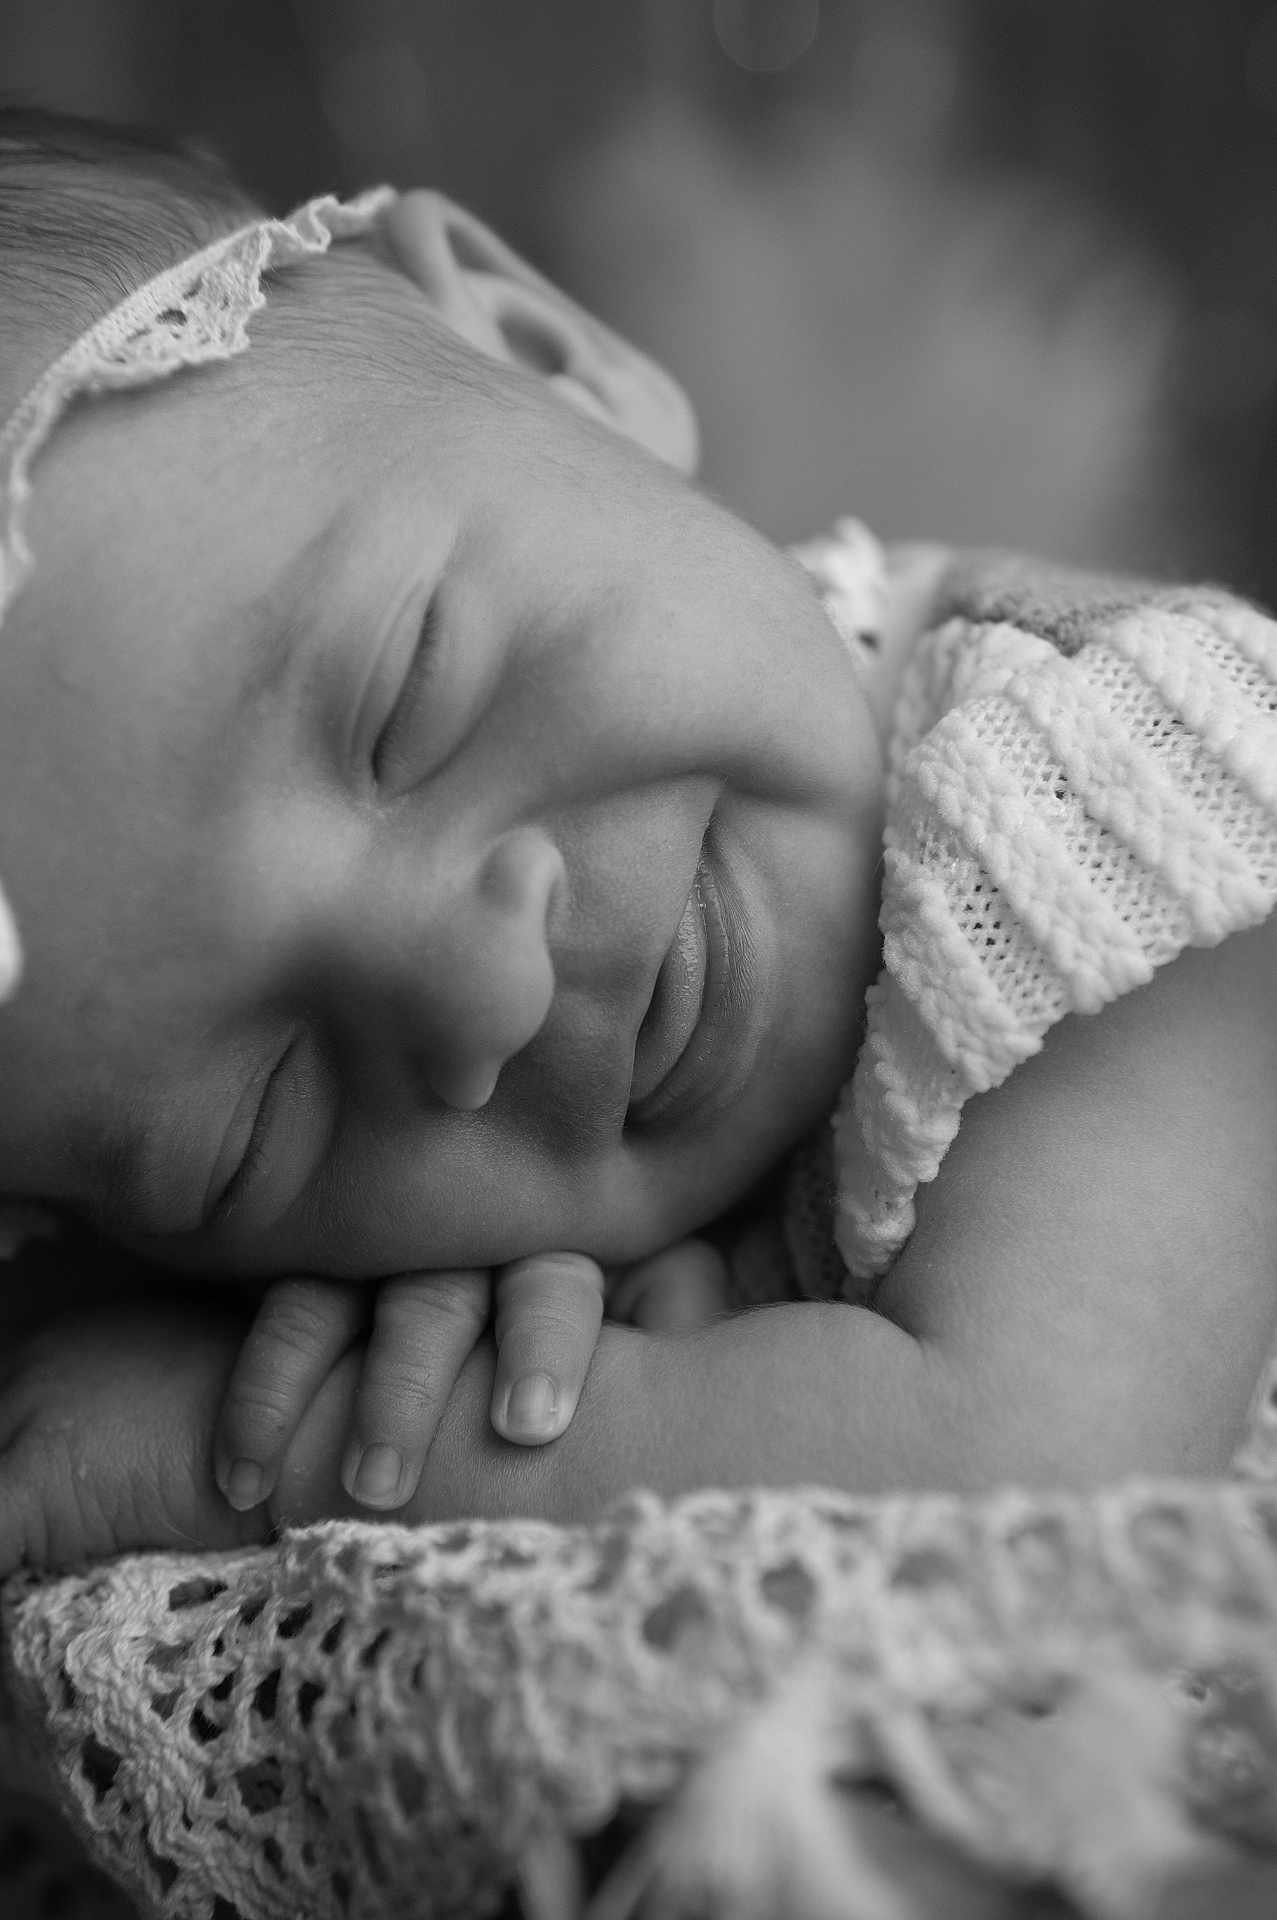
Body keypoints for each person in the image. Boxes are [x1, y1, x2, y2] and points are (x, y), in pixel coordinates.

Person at [0, 109, 1274, 1578]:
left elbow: (1023, 1488)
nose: (483, 988)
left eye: (411, 699)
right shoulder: (423, 1261)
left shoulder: (1110, 787)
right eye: (250, 1127)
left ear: (548, 351)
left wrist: (245, 1447)